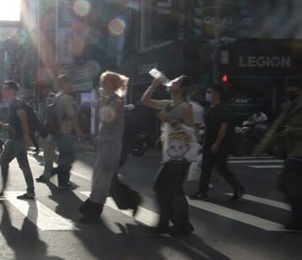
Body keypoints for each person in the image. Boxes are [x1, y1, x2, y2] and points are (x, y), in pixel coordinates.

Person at [80, 71, 141, 222]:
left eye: (106, 81)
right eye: (103, 81)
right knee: (108, 178)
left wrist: (101, 105)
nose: (103, 84)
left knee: (101, 178)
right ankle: (131, 199)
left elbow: (109, 121)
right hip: (105, 144)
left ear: (114, 84)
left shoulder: (117, 101)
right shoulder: (109, 100)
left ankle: (94, 210)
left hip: (111, 146)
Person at [140, 74, 197, 235]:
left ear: (183, 88)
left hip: (179, 154)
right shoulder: (168, 104)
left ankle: (165, 224)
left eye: (176, 82)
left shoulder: (185, 107)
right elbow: (145, 101)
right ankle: (181, 224)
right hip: (169, 153)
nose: (172, 83)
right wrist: (153, 86)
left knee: (163, 187)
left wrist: (171, 121)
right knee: (172, 189)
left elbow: (191, 132)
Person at [255, 74, 302, 231]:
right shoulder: (289, 107)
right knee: (289, 185)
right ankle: (297, 219)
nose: (289, 90)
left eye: (292, 87)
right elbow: (275, 127)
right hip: (294, 152)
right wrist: (260, 148)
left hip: (297, 154)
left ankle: (298, 219)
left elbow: (286, 130)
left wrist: (293, 131)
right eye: (288, 87)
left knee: (285, 183)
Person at [191, 84, 244, 201]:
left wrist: (217, 144)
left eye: (210, 92)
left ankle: (238, 188)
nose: (208, 94)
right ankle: (202, 191)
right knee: (206, 168)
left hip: (219, 145)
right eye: (208, 92)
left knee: (221, 168)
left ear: (217, 94)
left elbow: (223, 127)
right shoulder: (210, 109)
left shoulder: (222, 109)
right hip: (208, 142)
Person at [0, 81, 35, 200]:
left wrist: (26, 139)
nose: (3, 91)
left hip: (17, 140)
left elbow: (24, 121)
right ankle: (30, 191)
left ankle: (3, 190)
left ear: (11, 91)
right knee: (24, 165)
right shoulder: (13, 104)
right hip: (18, 139)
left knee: (3, 161)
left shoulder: (16, 104)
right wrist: (3, 124)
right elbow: (15, 124)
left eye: (5, 89)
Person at [50, 75, 85, 189]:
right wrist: (79, 131)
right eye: (69, 83)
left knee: (64, 158)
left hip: (59, 133)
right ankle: (52, 172)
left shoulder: (57, 97)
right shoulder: (66, 98)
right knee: (69, 158)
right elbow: (72, 116)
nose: (72, 85)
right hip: (66, 133)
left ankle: (63, 183)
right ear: (64, 84)